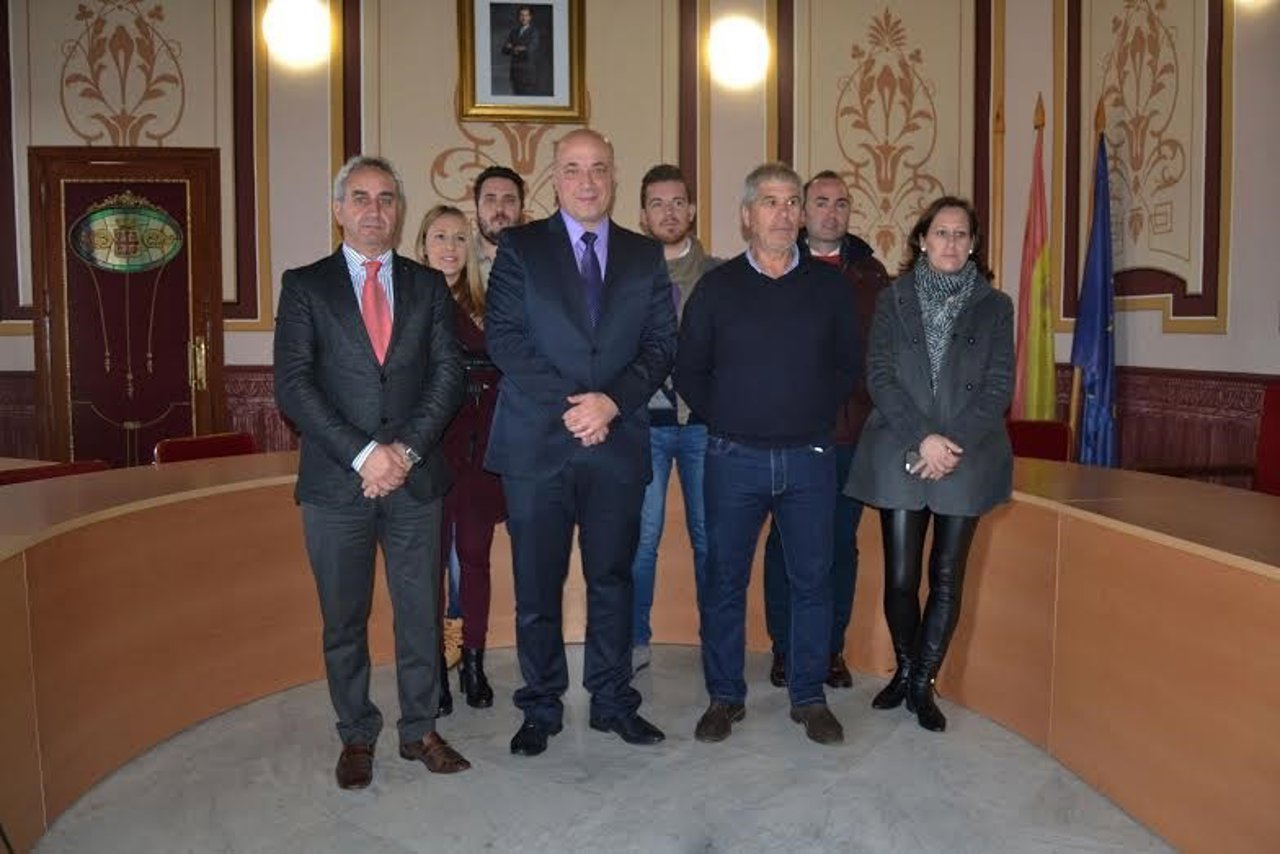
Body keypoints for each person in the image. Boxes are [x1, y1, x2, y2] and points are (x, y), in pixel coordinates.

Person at [273, 155, 468, 790]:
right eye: (360, 198)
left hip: (414, 481)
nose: (374, 210)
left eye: (386, 198)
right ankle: (356, 733)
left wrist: (404, 453)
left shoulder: (427, 286)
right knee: (343, 617)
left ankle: (420, 730)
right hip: (337, 484)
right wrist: (365, 454)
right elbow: (295, 388)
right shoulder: (305, 286)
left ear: (398, 210)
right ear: (339, 209)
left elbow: (447, 377)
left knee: (420, 611)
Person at [485, 128, 677, 757]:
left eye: (598, 167)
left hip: (616, 441)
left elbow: (659, 346)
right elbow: (506, 340)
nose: (587, 181)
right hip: (537, 443)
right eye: (572, 169)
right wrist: (575, 407)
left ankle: (613, 701)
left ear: (614, 175)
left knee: (613, 580)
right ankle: (540, 705)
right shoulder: (519, 249)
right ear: (554, 178)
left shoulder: (644, 256)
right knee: (537, 587)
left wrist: (612, 402)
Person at [674, 162, 860, 747]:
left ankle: (808, 696)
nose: (783, 214)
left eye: (792, 204)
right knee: (724, 579)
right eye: (771, 203)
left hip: (810, 457)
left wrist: (808, 415)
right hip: (732, 459)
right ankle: (724, 695)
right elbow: (689, 370)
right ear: (747, 216)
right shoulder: (718, 287)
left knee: (812, 579)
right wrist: (728, 417)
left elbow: (847, 367)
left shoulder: (830, 288)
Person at [845, 195, 1014, 733]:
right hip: (902, 448)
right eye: (941, 233)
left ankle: (921, 683)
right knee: (900, 577)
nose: (952, 244)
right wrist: (924, 439)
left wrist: (949, 444)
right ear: (921, 239)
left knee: (946, 576)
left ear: (973, 244)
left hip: (967, 454)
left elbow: (997, 388)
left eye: (962, 235)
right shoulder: (894, 298)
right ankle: (906, 663)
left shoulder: (995, 306)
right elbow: (881, 377)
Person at [761, 170, 890, 690]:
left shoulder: (872, 276)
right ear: (801, 210)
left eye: (840, 203)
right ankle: (785, 649)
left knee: (840, 544)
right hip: (788, 434)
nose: (830, 213)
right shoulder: (776, 265)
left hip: (849, 437)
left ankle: (830, 650)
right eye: (820, 202)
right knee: (786, 545)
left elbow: (882, 355)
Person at [629, 164, 721, 674]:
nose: (669, 212)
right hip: (645, 425)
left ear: (692, 209)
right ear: (643, 216)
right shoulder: (627, 275)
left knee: (710, 538)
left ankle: (716, 639)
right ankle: (636, 639)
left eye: (677, 201)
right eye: (657, 204)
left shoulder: (720, 275)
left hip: (704, 426)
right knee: (642, 540)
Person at [415, 205, 505, 711]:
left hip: (479, 450)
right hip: (427, 450)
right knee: (429, 563)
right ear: (422, 245)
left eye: (458, 238)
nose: (449, 247)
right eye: (439, 237)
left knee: (473, 557)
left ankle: (473, 662)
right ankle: (436, 671)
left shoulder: (487, 304)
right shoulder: (408, 302)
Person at [473, 164, 525, 285]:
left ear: (522, 208)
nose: (500, 209)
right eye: (490, 200)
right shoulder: (459, 259)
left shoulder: (542, 260)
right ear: (477, 207)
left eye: (509, 200)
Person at [501, 6, 542, 96]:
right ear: (519, 17)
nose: (524, 18)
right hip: (515, 73)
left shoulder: (534, 32)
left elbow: (530, 50)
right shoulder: (514, 31)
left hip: (527, 73)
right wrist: (519, 48)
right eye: (521, 15)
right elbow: (504, 49)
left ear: (530, 17)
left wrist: (512, 47)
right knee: (516, 99)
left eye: (526, 15)